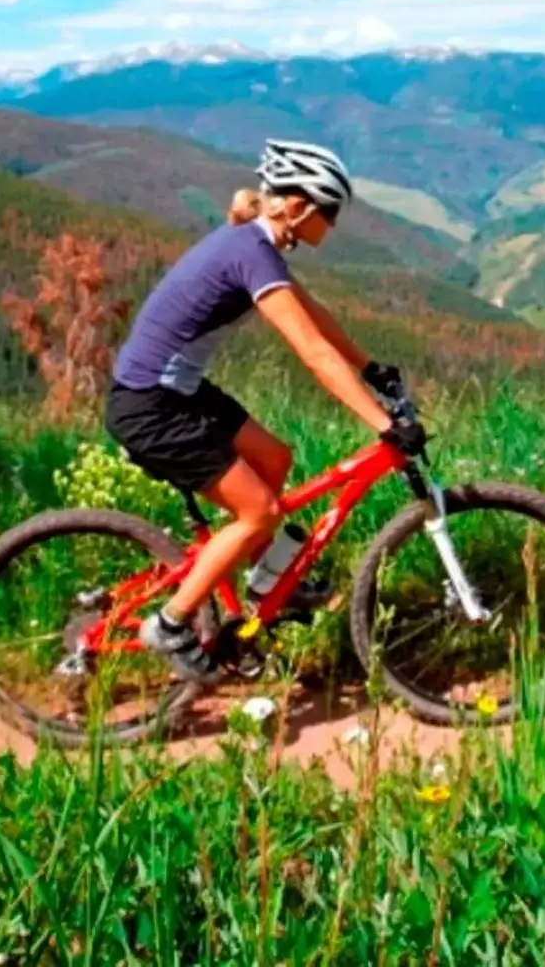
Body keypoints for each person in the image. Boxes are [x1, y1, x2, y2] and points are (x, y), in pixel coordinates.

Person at [105, 138, 421, 682]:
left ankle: (267, 584)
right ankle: (171, 622)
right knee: (259, 512)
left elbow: (314, 315)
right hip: (150, 405)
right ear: (298, 207)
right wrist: (384, 424)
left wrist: (371, 368)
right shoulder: (250, 251)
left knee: (274, 459)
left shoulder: (259, 244)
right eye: (331, 211)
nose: (335, 223)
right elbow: (312, 351)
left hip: (174, 390)